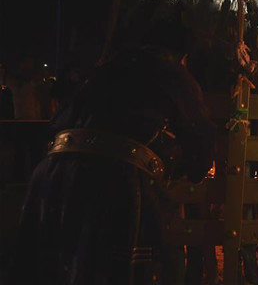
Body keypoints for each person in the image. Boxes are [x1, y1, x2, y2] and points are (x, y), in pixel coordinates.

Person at [8, 40, 217, 284]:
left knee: (52, 267)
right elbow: (202, 140)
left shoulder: (101, 71)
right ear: (180, 55)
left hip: (52, 174)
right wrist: (192, 167)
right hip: (118, 177)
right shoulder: (173, 74)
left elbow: (56, 124)